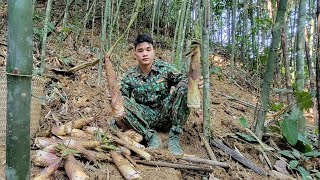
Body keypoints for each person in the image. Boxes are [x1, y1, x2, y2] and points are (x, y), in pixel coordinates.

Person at [106, 34, 202, 155]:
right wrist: (113, 98)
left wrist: (194, 83)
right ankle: (150, 136)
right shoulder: (130, 76)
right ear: (135, 54)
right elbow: (122, 98)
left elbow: (184, 80)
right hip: (143, 118)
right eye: (140, 51)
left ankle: (174, 137)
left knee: (184, 87)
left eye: (148, 49)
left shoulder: (165, 69)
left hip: (166, 113)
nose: (144, 54)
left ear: (153, 51)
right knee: (121, 101)